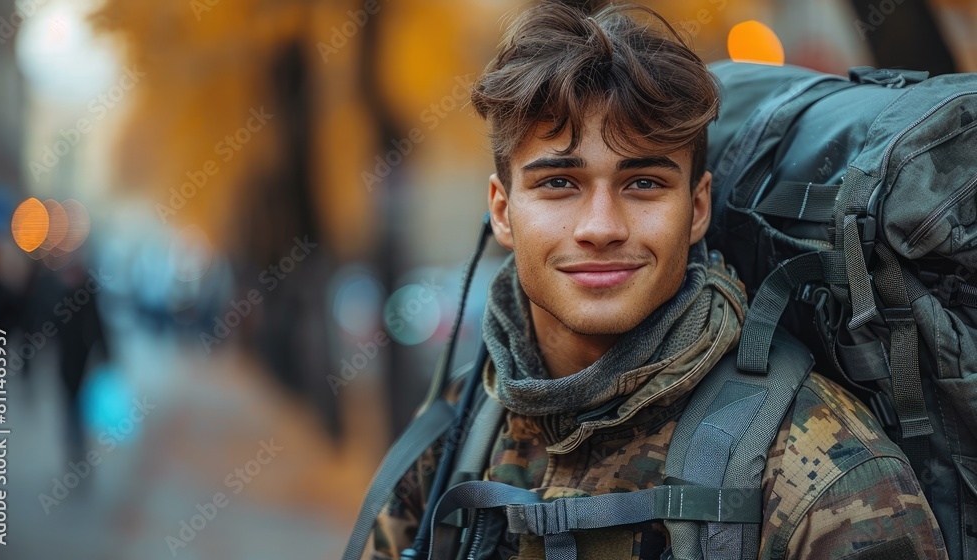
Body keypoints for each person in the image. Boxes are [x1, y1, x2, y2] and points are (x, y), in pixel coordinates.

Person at [358, 2, 947, 558]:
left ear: (696, 209)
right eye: (559, 183)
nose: (601, 228)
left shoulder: (822, 473)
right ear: (503, 210)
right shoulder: (464, 422)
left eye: (642, 183)